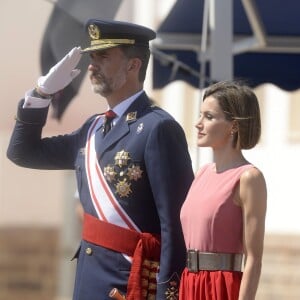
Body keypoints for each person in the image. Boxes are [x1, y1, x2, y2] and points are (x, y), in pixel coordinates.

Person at [7, 19, 194, 300]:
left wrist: (167, 296)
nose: (91, 66)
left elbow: (176, 226)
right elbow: (23, 152)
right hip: (89, 281)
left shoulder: (157, 128)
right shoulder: (92, 129)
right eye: (92, 57)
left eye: (103, 57)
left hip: (130, 284)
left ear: (133, 65)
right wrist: (41, 95)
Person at [179, 81, 267, 300]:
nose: (198, 124)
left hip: (220, 288)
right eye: (200, 115)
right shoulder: (201, 173)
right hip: (188, 283)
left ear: (233, 126)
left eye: (209, 117)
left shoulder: (249, 178)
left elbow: (254, 259)